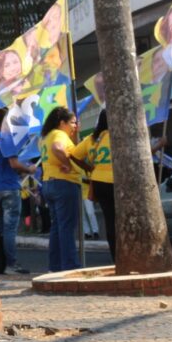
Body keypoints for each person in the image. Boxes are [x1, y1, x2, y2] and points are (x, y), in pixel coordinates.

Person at [0, 108, 37, 275]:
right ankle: (11, 264)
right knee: (10, 228)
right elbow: (14, 164)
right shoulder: (5, 137)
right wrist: (29, 170)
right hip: (9, 187)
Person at [39, 106, 87, 272]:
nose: (75, 125)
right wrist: (67, 164)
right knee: (66, 227)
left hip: (48, 183)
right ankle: (70, 265)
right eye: (73, 122)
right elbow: (58, 149)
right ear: (62, 123)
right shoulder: (60, 135)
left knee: (57, 227)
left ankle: (55, 266)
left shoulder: (46, 137)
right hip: (64, 183)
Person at [72, 110, 114, 259]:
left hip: (97, 182)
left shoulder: (92, 139)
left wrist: (88, 168)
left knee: (110, 220)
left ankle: (115, 256)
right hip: (115, 183)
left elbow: (74, 155)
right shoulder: (119, 136)